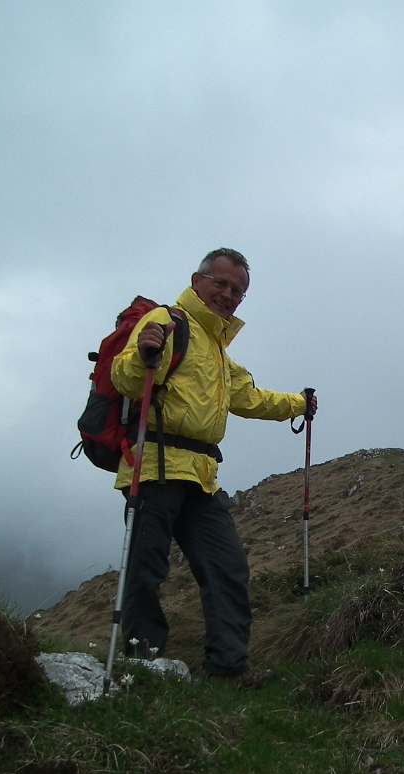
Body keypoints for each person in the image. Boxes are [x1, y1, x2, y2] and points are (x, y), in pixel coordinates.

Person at [111, 248, 317, 687]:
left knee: (227, 567)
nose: (228, 295)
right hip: (155, 467)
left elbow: (250, 398)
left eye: (237, 291)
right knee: (147, 568)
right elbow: (127, 378)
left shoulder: (218, 352)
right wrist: (142, 353)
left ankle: (228, 667)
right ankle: (141, 662)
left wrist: (300, 404)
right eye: (220, 284)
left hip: (200, 476)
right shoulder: (166, 323)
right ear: (197, 280)